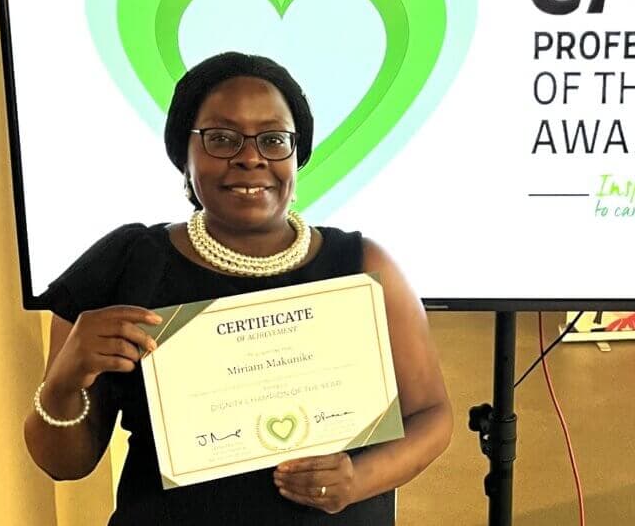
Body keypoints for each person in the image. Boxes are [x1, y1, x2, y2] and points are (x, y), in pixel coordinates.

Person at [24, 52, 453, 524]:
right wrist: (64, 383)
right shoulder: (125, 264)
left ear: (297, 155)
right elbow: (64, 464)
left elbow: (432, 416)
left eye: (273, 140)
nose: (250, 158)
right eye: (221, 139)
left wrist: (357, 480)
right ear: (183, 156)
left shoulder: (363, 265)